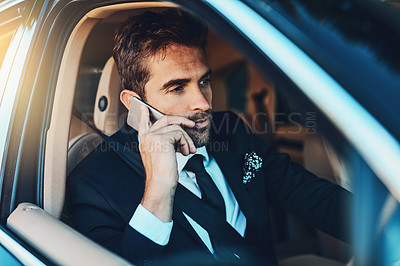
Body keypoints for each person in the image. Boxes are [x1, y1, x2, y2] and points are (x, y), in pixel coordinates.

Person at [67, 9, 352, 265]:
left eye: (204, 81)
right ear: (134, 103)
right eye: (177, 88)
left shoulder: (231, 131)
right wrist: (159, 188)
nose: (202, 103)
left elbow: (310, 196)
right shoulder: (94, 183)